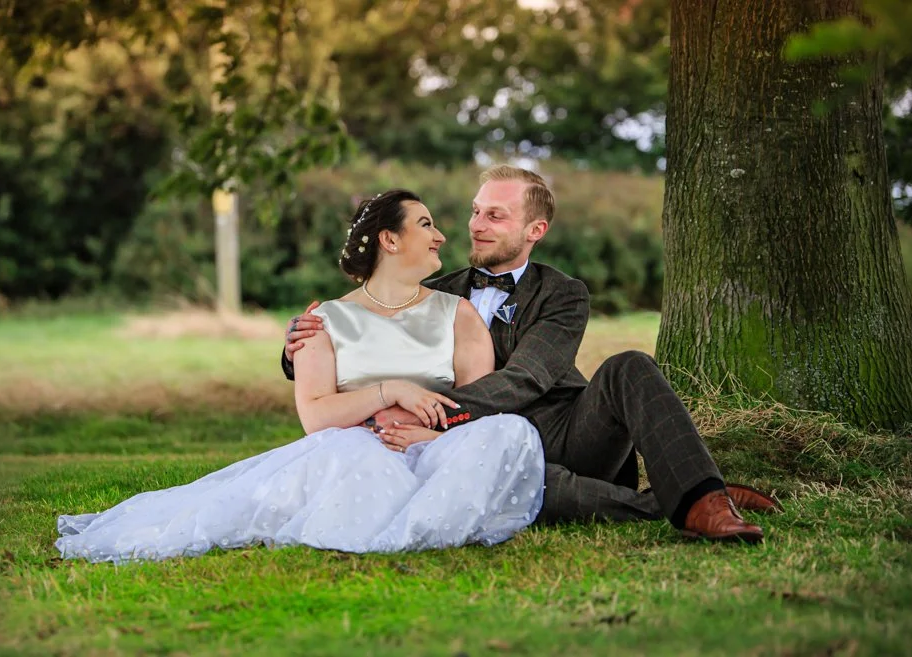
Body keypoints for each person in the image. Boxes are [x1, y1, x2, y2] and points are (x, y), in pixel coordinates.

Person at [283, 166, 781, 543]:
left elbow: (527, 376)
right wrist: (298, 348)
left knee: (630, 365)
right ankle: (690, 494)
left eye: (495, 216)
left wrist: (436, 418)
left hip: (563, 431)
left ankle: (704, 501)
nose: (477, 225)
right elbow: (372, 329)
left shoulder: (564, 293)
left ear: (534, 231)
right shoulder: (437, 291)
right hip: (474, 446)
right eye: (476, 211)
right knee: (529, 486)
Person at [55, 190, 546, 563]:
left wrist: (429, 431)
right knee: (358, 453)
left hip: (438, 445)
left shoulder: (458, 314)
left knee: (509, 432)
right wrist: (389, 391)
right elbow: (315, 417)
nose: (442, 236)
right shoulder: (324, 321)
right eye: (426, 224)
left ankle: (423, 514)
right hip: (359, 448)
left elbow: (479, 402)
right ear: (390, 239)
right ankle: (405, 525)